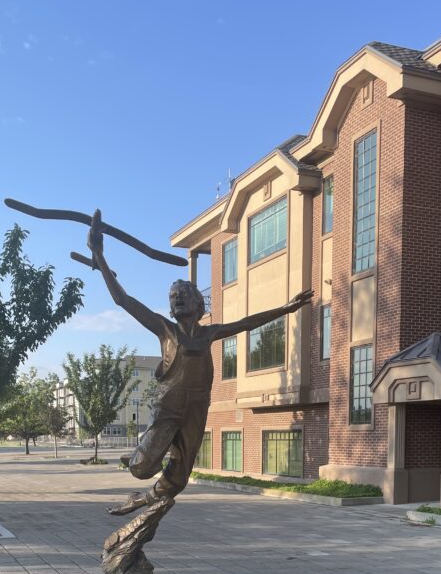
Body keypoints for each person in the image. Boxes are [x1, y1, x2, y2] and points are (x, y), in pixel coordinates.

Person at [88, 210, 313, 516]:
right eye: (172, 296)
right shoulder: (164, 329)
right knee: (141, 467)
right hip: (168, 405)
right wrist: (100, 257)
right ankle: (144, 452)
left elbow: (247, 323)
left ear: (198, 304)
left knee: (179, 478)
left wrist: (285, 309)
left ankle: (140, 500)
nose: (176, 298)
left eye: (183, 294)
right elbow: (123, 301)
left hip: (197, 407)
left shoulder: (210, 333)